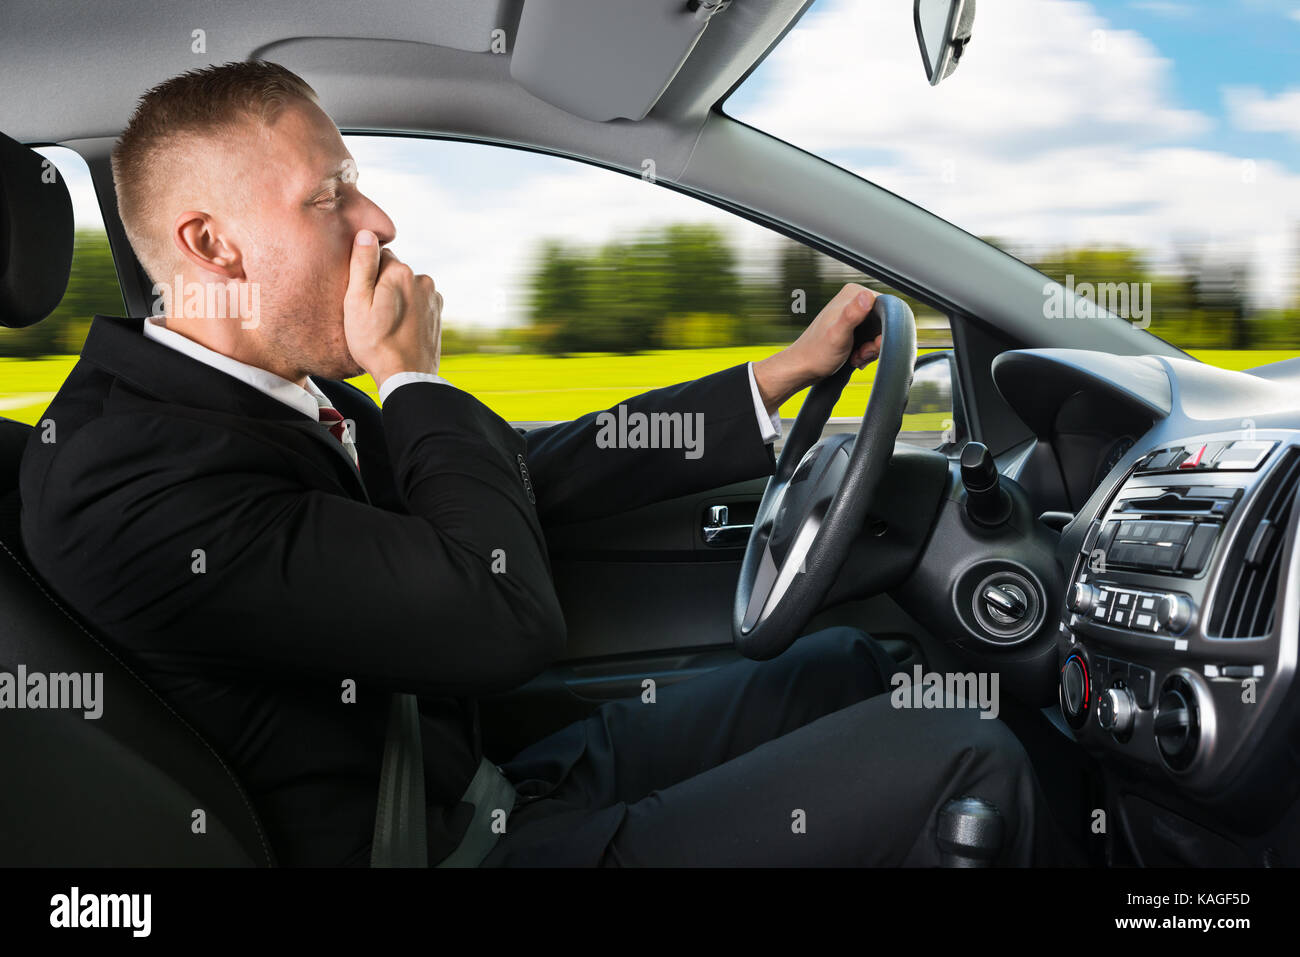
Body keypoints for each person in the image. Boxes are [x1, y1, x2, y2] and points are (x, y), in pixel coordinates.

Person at [20, 60, 1066, 867]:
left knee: (850, 670)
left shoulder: (267, 392)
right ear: (213, 247)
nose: (377, 222)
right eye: (329, 194)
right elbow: (497, 615)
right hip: (442, 853)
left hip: (486, 787)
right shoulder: (128, 476)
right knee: (968, 760)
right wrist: (414, 382)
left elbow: (519, 476)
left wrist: (775, 378)